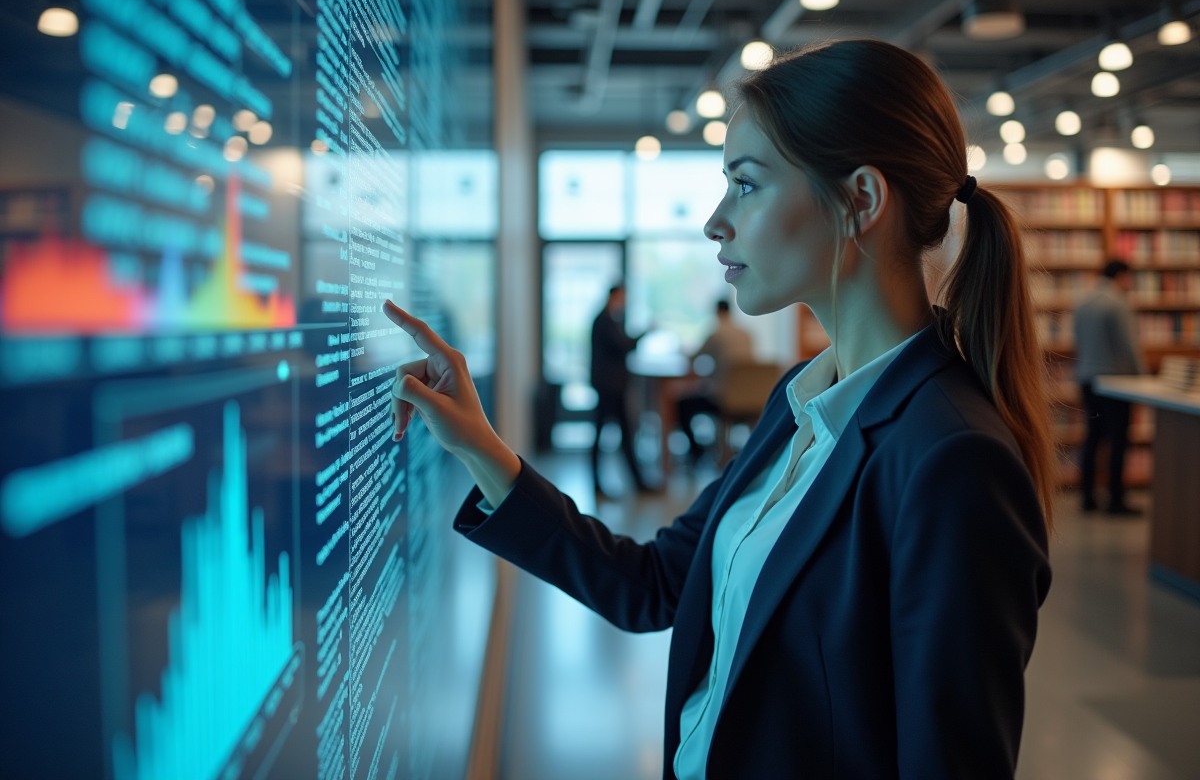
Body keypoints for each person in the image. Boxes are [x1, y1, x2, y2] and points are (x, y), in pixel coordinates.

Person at [384, 39, 1053, 780]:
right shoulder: (799, 401)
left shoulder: (952, 458)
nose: (714, 221)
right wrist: (482, 447)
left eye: (747, 183)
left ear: (860, 200)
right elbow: (653, 583)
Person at [1073, 259, 1144, 515]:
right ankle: (1116, 499)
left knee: (1093, 437)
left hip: (1087, 378)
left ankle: (1087, 496)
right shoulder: (1117, 303)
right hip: (1114, 381)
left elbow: (1078, 340)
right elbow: (1129, 346)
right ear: (1122, 276)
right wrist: (1142, 378)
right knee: (1118, 441)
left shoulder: (1083, 302)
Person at [589, 284, 652, 495]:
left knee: (617, 434)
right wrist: (645, 333)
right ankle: (634, 482)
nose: (624, 302)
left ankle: (635, 482)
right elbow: (623, 346)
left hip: (611, 387)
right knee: (618, 434)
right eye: (623, 297)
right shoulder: (605, 321)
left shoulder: (609, 320)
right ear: (614, 296)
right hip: (610, 388)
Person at [676, 300, 755, 462]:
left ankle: (696, 452)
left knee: (682, 404)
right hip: (749, 399)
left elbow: (694, 358)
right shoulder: (746, 334)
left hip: (723, 400)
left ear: (717, 312)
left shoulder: (716, 333)